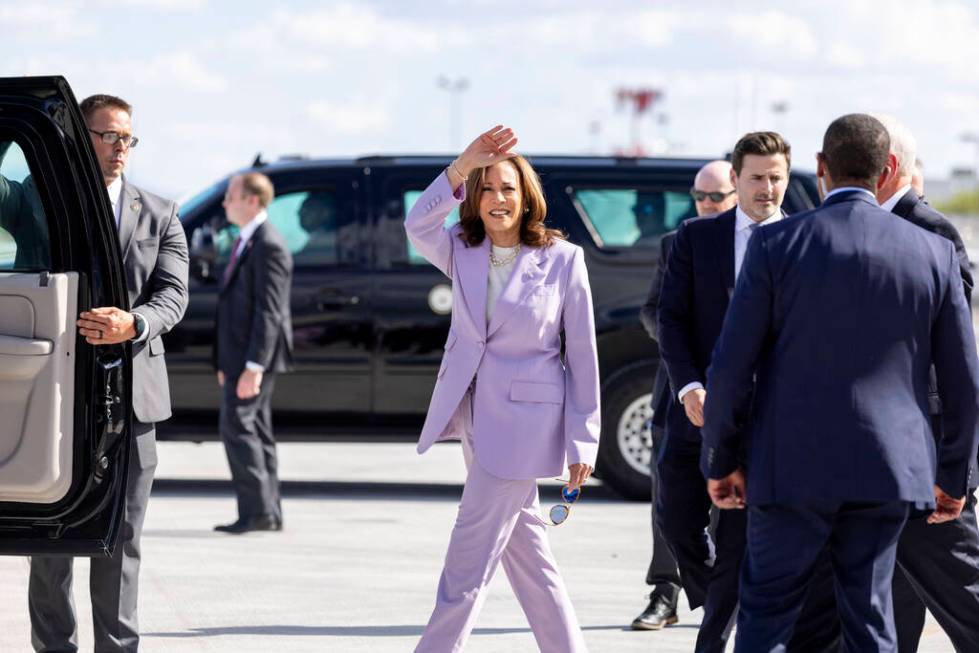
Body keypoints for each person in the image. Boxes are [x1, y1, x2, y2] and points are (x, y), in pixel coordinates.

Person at [702, 113, 979, 652]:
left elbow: (731, 366)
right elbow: (964, 379)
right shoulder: (934, 252)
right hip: (887, 469)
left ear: (821, 168)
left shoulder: (776, 244)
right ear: (884, 172)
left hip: (789, 466)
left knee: (767, 614)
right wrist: (956, 474)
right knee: (870, 618)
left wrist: (721, 460)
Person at [406, 126, 600, 652]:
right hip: (471, 416)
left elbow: (582, 356)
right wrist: (462, 164)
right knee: (529, 559)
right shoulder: (461, 250)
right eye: (487, 188)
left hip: (524, 427)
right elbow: (417, 222)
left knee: (466, 562)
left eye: (508, 188)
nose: (497, 198)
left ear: (526, 196)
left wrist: (585, 440)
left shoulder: (563, 259)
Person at [29, 94, 189, 653]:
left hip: (134, 399)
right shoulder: (42, 200)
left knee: (123, 540)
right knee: (50, 540)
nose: (121, 148)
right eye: (109, 136)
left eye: (128, 138)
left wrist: (134, 323)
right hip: (55, 393)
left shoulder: (162, 212)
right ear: (82, 137)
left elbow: (172, 296)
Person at [872, 113, 979, 653]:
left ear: (889, 167)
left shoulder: (928, 228)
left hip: (929, 449)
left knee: (965, 594)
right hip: (892, 454)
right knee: (891, 606)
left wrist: (953, 464)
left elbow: (951, 353)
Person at [631, 159, 737, 631]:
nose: (708, 204)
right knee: (670, 505)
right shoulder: (676, 243)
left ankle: (724, 599)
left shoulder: (762, 243)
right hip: (680, 392)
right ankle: (666, 592)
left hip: (738, 399)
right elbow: (653, 311)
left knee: (727, 506)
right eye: (700, 196)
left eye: (717, 196)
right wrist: (681, 349)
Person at [213, 172, 294, 534]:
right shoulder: (248, 240)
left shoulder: (268, 244)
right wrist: (226, 361)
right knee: (257, 430)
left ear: (252, 200)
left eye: (231, 196)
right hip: (241, 357)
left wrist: (253, 366)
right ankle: (268, 511)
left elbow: (269, 311)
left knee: (238, 427)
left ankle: (257, 511)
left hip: (254, 358)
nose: (225, 203)